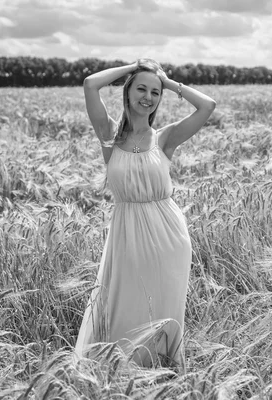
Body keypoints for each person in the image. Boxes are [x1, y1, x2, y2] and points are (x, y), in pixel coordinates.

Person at [74, 58, 216, 370]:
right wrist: (133, 68)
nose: (148, 97)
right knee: (125, 305)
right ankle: (123, 370)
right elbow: (90, 84)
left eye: (155, 92)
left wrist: (168, 82)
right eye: (141, 89)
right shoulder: (110, 136)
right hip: (127, 233)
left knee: (163, 309)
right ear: (127, 92)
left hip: (169, 237)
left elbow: (207, 106)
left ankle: (163, 372)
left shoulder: (165, 137)